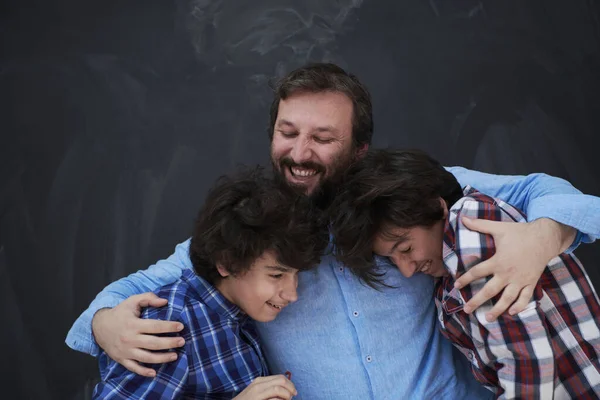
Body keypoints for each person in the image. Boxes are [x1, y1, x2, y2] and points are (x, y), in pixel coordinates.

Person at [67, 63, 600, 399]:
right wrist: (102, 326)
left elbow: (560, 196)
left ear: (358, 149)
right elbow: (123, 296)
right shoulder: (244, 237)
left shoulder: (413, 195)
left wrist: (543, 238)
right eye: (287, 132)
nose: (299, 154)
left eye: (322, 137)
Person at [328, 148, 600, 399]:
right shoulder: (454, 250)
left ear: (437, 206)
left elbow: (529, 363)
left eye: (406, 248)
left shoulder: (470, 231)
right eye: (391, 259)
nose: (407, 269)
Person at [92, 167, 329, 399]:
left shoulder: (239, 313)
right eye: (276, 275)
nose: (292, 294)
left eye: (296, 274)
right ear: (226, 263)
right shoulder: (170, 326)